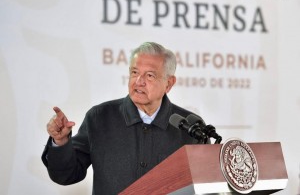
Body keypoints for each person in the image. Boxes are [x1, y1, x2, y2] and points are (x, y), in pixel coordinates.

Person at [42, 42, 209, 194]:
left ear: (169, 83)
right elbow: (67, 175)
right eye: (134, 72)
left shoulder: (190, 127)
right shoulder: (99, 118)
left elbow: (205, 185)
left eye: (150, 75)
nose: (139, 81)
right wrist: (61, 142)